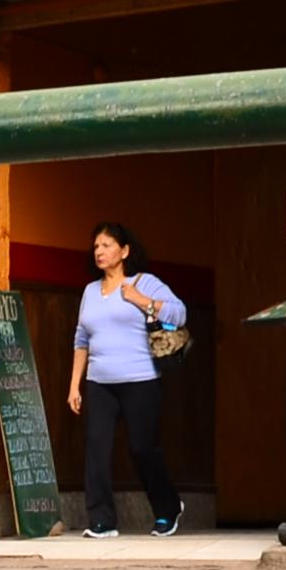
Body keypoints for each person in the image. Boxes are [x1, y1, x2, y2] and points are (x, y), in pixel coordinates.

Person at [66, 221, 186, 538]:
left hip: (141, 378)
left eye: (106, 245)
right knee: (96, 448)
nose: (100, 251)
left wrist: (141, 300)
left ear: (124, 250)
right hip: (99, 381)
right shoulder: (90, 292)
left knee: (142, 447)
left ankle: (167, 509)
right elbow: (81, 340)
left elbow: (180, 313)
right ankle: (101, 520)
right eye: (96, 247)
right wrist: (74, 385)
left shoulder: (144, 283)